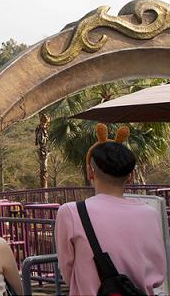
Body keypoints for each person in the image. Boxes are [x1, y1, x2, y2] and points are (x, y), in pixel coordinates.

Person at [55, 125, 167, 295]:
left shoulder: (71, 212)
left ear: (90, 172)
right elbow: (158, 272)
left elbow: (67, 272)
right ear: (131, 176)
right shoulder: (150, 214)